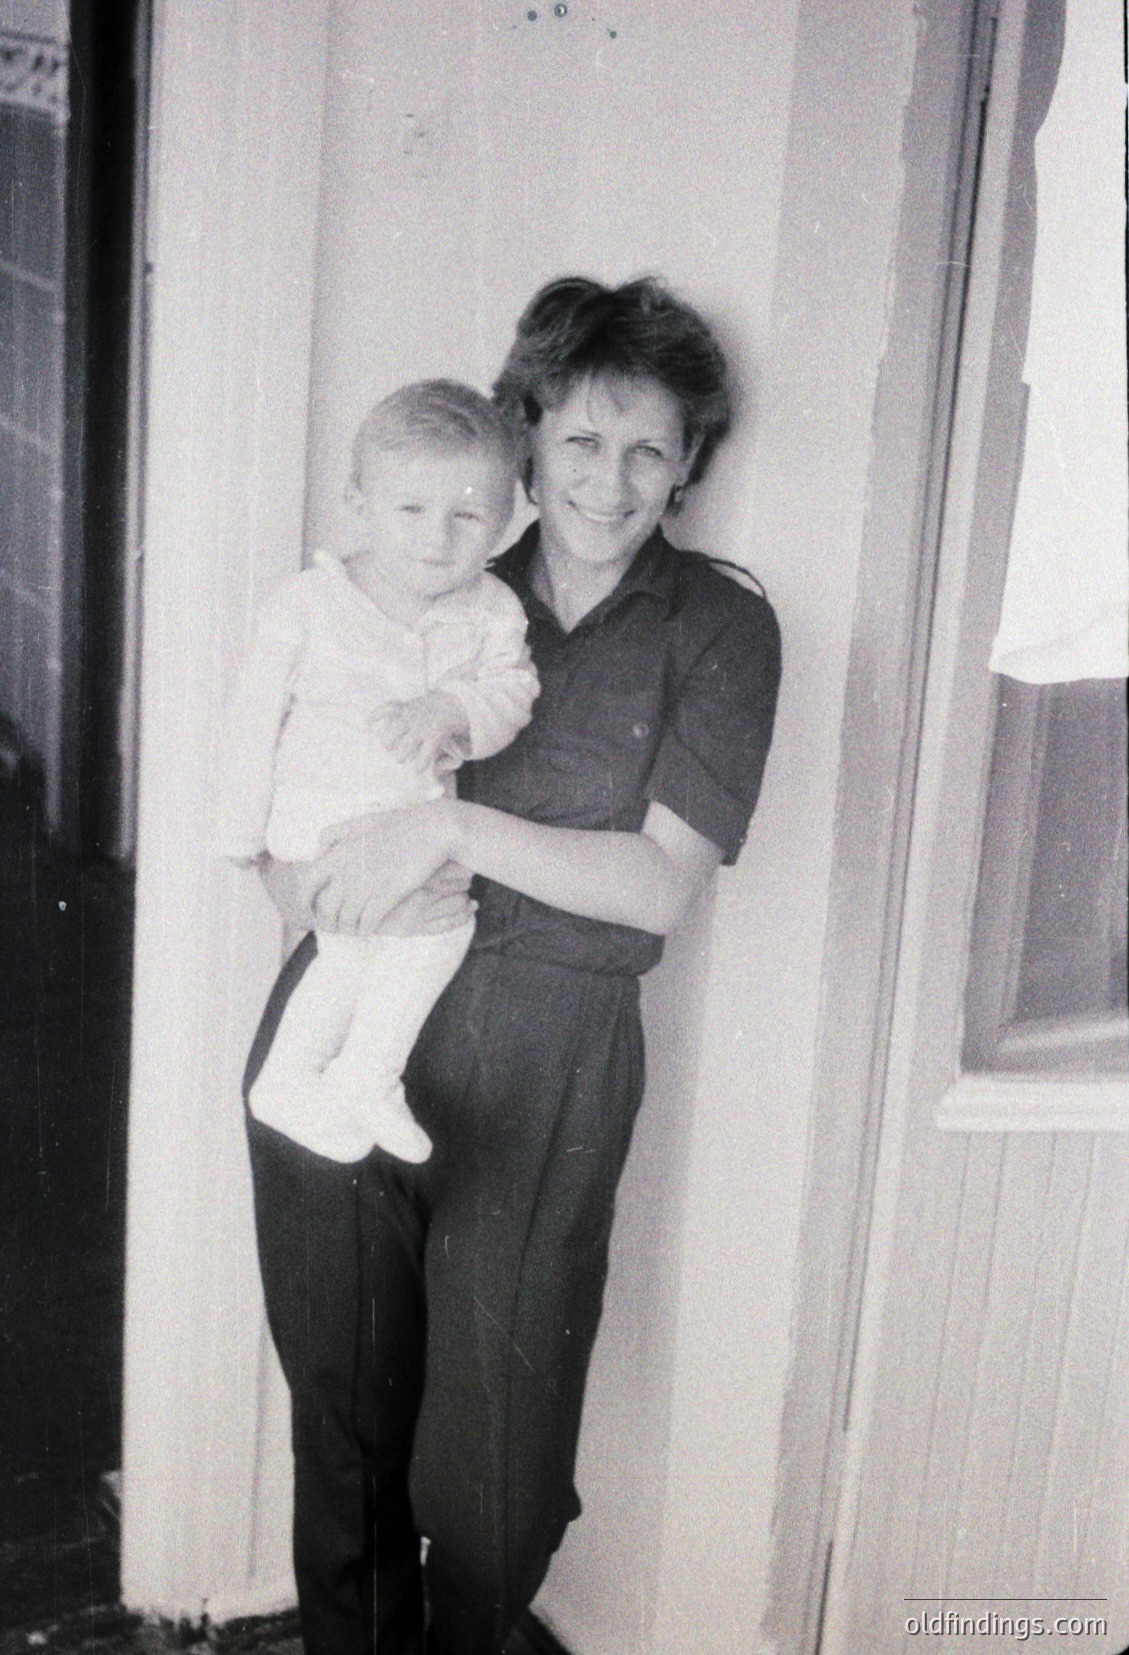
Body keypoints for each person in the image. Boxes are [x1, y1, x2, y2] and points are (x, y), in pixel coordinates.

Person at [244, 277, 782, 1654]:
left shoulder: (717, 627)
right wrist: (297, 896)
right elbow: (277, 764)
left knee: (494, 1468)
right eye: (582, 441)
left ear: (691, 463)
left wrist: (451, 822)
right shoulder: (439, 573)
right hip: (360, 1015)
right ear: (527, 435)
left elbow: (660, 877)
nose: (613, 481)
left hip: (551, 1051)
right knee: (347, 1418)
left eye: (652, 447)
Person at [217, 381, 538, 1164]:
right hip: (322, 817)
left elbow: (512, 695)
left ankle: (292, 1078)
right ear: (358, 503)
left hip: (413, 822)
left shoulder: (492, 609)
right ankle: (368, 1073)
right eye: (410, 511)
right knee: (434, 932)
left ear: (502, 522)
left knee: (354, 955)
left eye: (467, 516)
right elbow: (251, 723)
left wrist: (455, 709)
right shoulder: (306, 604)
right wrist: (241, 836)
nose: (438, 540)